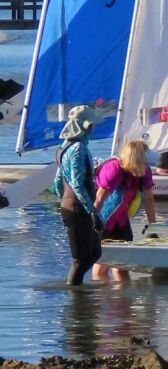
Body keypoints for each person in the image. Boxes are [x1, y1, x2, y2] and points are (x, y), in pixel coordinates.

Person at [50, 105, 102, 286]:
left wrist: (62, 201)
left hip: (71, 205)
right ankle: (75, 302)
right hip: (78, 207)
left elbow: (58, 181)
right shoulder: (79, 148)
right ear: (86, 127)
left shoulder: (64, 147)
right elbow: (77, 184)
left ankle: (79, 296)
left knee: (94, 253)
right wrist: (92, 211)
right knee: (81, 259)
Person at [92, 139, 157, 281]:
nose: (148, 165)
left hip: (121, 219)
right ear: (136, 160)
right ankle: (100, 299)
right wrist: (92, 223)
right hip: (104, 219)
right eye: (145, 162)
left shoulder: (144, 171)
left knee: (123, 267)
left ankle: (123, 301)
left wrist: (154, 227)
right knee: (102, 267)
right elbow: (99, 200)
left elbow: (148, 199)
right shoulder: (114, 170)